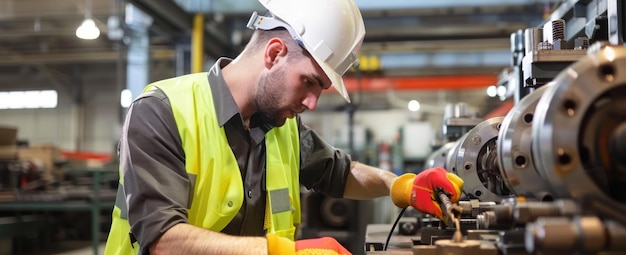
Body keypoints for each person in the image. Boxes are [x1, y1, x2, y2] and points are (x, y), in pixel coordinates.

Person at [104, 0, 464, 254]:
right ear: (274, 53)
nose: (311, 103)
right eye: (308, 82)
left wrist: (401, 185)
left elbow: (341, 172)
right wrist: (282, 252)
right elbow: (164, 241)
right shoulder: (162, 112)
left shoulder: (281, 125)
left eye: (320, 89)